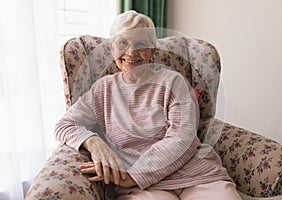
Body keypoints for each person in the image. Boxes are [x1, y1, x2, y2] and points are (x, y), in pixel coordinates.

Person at [55, 10, 242, 200]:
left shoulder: (173, 81)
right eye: (123, 43)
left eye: (141, 44)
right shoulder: (103, 89)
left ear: (152, 50)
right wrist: (94, 143)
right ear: (112, 48)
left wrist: (135, 175)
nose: (131, 52)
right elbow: (63, 125)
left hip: (196, 175)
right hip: (143, 189)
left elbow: (182, 137)